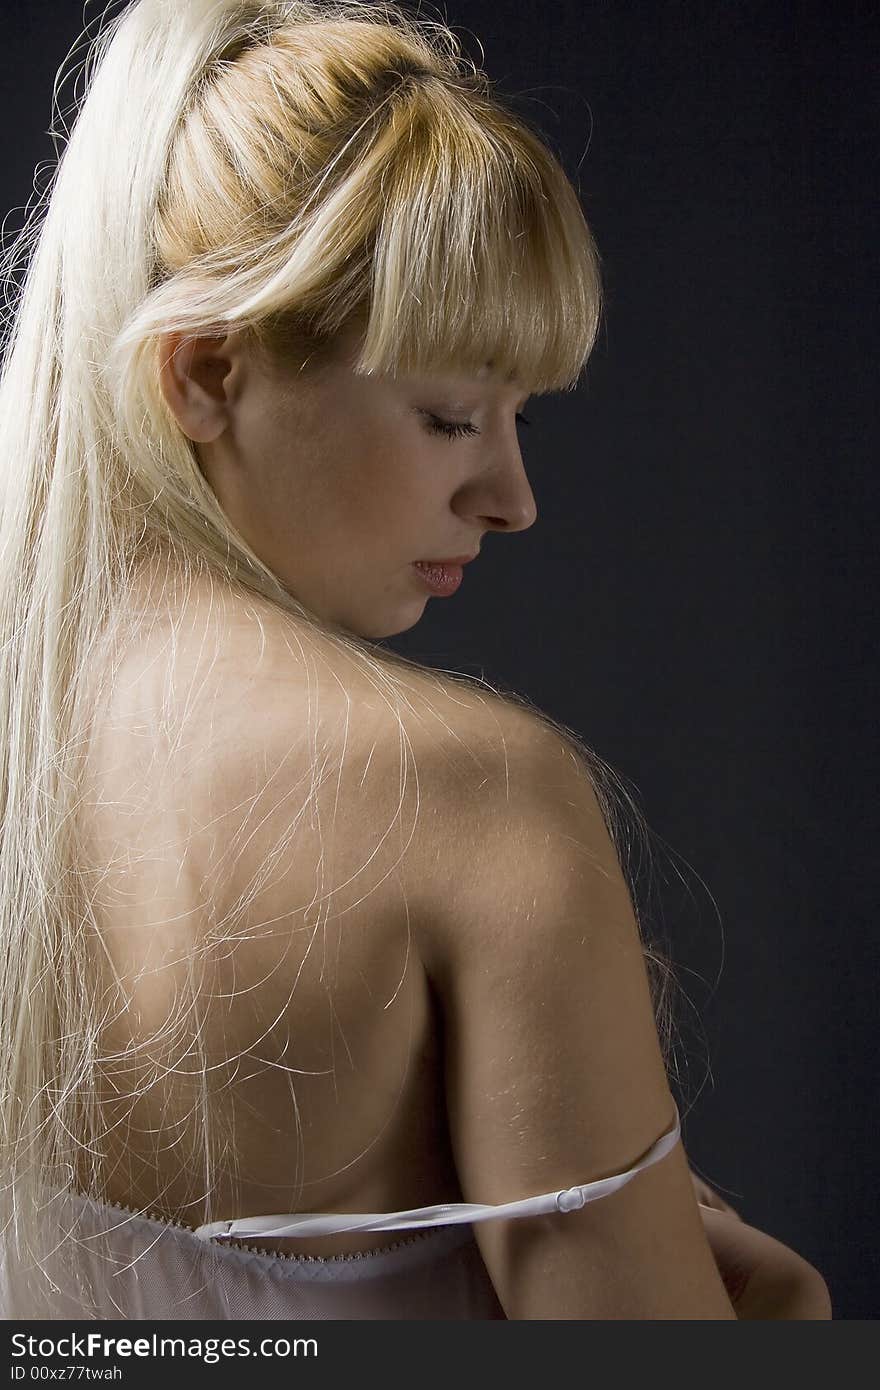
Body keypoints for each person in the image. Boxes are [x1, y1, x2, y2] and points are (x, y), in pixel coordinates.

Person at [0, 0, 830, 1319]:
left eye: (517, 416)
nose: (512, 495)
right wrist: (780, 1317)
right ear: (208, 372)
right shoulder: (471, 800)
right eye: (452, 416)